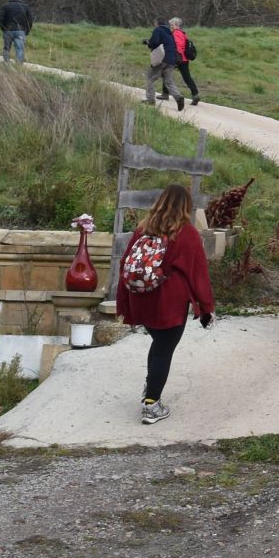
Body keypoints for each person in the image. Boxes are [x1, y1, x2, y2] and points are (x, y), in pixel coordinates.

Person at [114, 182, 215, 425]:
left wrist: (123, 300)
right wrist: (207, 307)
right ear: (186, 207)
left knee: (159, 344)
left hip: (141, 298)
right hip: (170, 301)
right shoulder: (187, 233)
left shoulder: (142, 229)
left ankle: (150, 391)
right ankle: (152, 404)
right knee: (164, 349)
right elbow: (198, 273)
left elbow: (125, 263)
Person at [144, 17, 186, 111]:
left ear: (156, 23)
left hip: (162, 58)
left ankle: (150, 100)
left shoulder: (158, 29)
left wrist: (148, 43)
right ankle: (178, 97)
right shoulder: (170, 32)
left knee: (150, 77)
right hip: (171, 60)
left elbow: (154, 42)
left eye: (154, 23)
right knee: (168, 81)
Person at [168, 17, 201, 106]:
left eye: (171, 25)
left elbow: (178, 46)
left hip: (178, 58)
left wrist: (173, 56)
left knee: (166, 74)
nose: (170, 26)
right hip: (185, 59)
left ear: (176, 25)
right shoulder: (183, 33)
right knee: (187, 78)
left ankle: (165, 94)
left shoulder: (176, 33)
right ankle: (195, 95)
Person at [0, 0, 33, 64]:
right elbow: (30, 20)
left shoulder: (5, 6)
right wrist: (27, 31)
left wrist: (3, 28)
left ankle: (6, 63)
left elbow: (0, 18)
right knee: (20, 48)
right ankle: (18, 65)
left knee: (6, 48)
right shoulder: (25, 7)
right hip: (20, 31)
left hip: (8, 30)